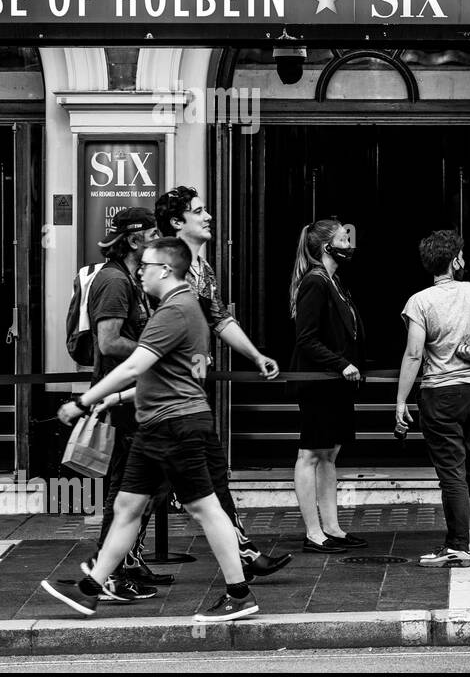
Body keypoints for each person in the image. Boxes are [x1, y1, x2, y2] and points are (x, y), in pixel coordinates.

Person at [42, 238, 259, 622]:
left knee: (204, 508)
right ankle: (91, 589)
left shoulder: (174, 311)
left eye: (146, 265)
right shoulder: (178, 309)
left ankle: (239, 594)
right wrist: (119, 399)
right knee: (128, 507)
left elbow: (132, 365)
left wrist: (81, 402)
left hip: (176, 426)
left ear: (165, 269)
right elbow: (166, 372)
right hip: (159, 424)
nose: (139, 271)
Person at [155, 186, 291, 580]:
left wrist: (255, 354)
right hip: (164, 390)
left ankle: (243, 554)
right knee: (143, 489)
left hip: (190, 389)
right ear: (178, 222)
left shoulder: (203, 269)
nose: (209, 217)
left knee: (200, 476)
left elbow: (219, 319)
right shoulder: (160, 264)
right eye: (199, 212)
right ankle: (109, 570)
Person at [395, 230, 470, 567]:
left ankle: (457, 546)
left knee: (451, 471)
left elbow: (414, 354)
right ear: (456, 260)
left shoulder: (419, 301)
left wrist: (401, 401)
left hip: (440, 393)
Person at [85, 208, 164, 601]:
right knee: (124, 490)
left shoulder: (129, 280)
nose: (159, 241)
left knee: (140, 488)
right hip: (121, 405)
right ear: (134, 241)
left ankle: (118, 565)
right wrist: (157, 353)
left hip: (138, 399)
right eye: (153, 235)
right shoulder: (114, 281)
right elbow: (109, 342)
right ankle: (107, 575)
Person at [289, 219, 368, 554]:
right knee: (310, 453)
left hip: (335, 384)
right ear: (326, 246)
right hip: (317, 383)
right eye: (342, 238)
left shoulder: (335, 282)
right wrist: (342, 364)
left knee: (330, 453)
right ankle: (313, 532)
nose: (349, 243)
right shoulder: (315, 282)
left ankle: (331, 527)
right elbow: (306, 339)